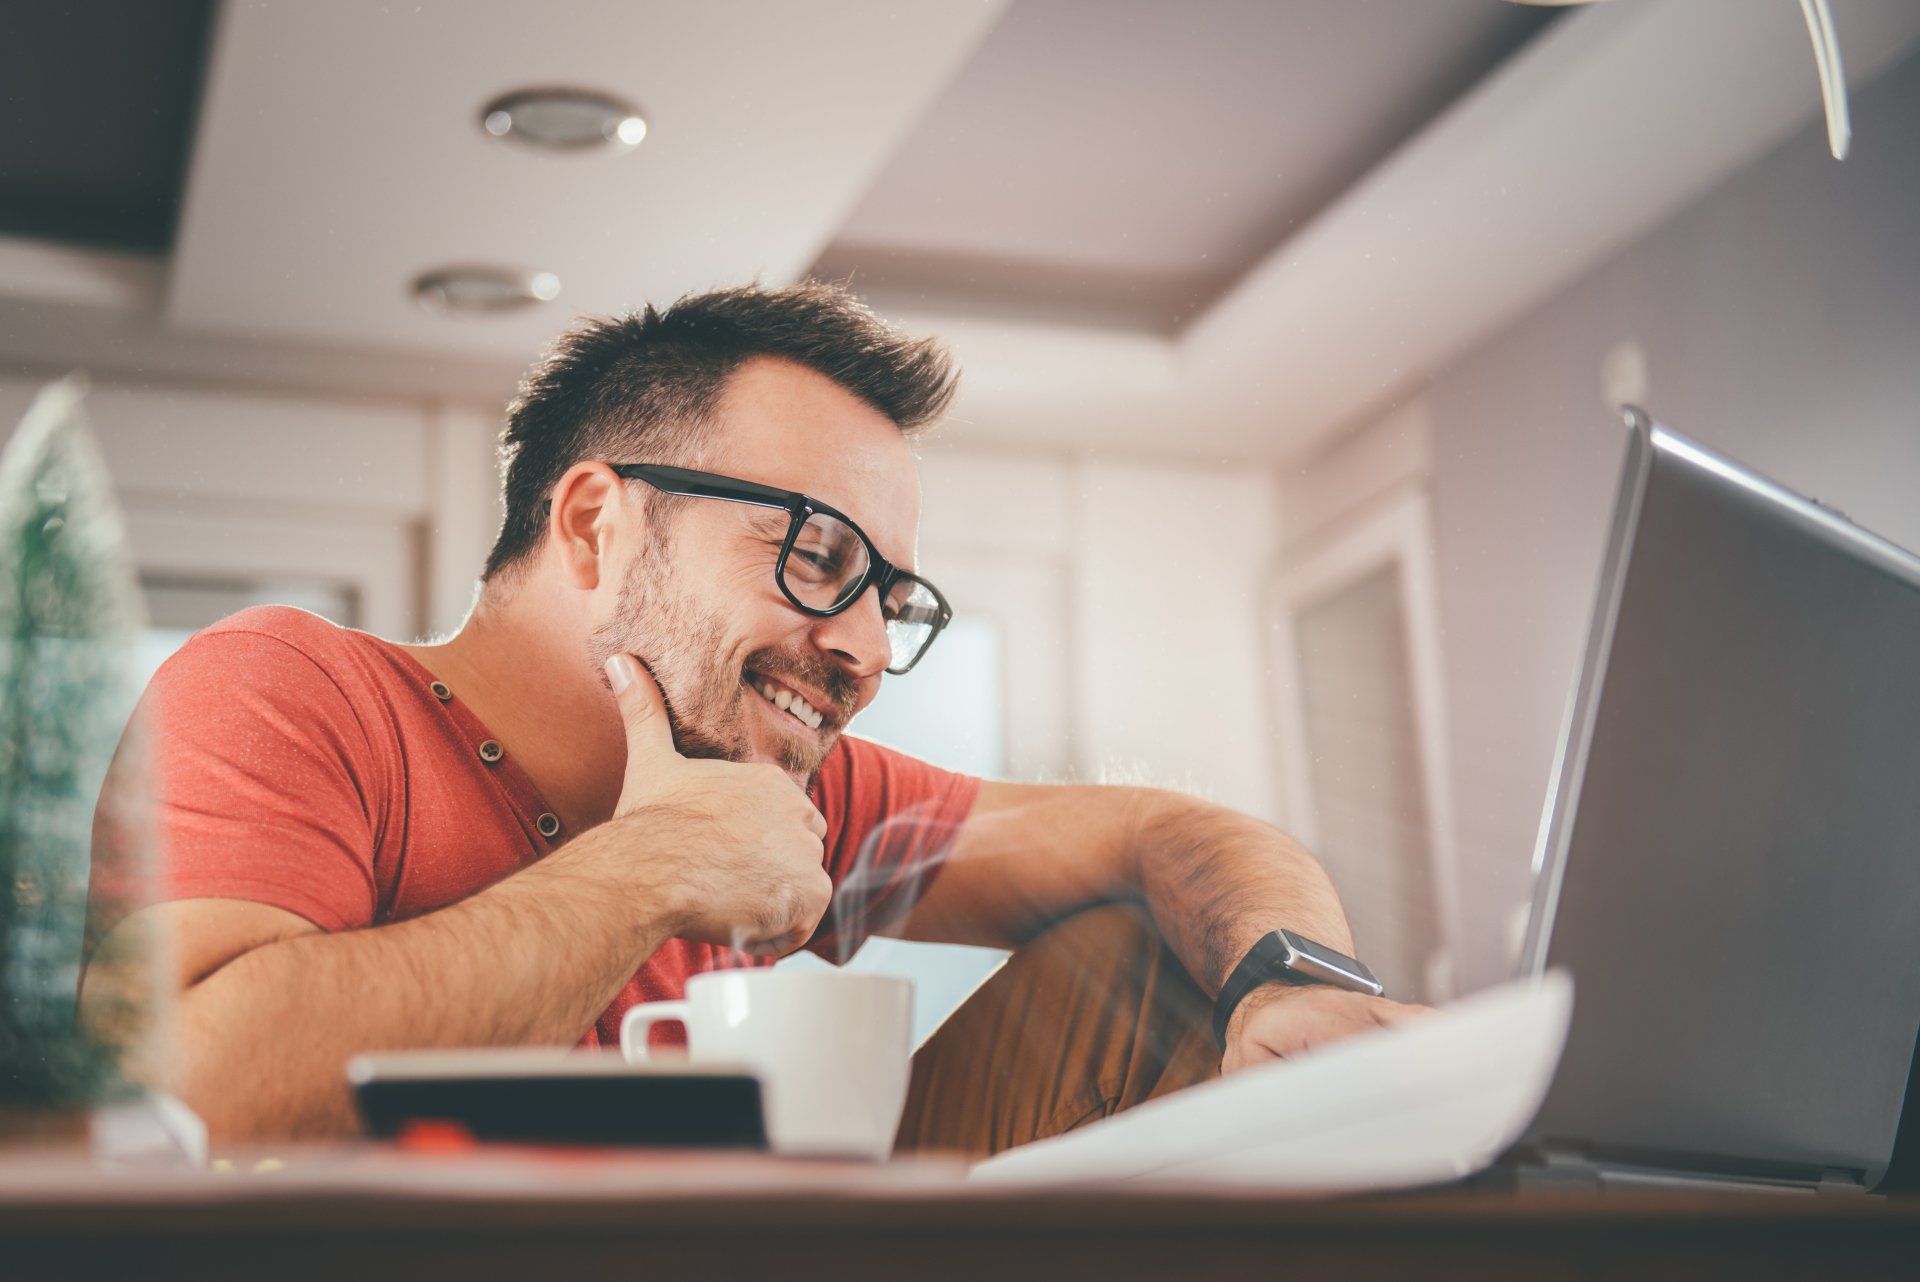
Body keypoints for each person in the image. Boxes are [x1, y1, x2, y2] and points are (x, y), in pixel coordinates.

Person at [83, 282, 1422, 1150]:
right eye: (818, 557)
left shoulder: (790, 794)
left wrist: (1290, 979)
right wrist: (658, 867)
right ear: (600, 523)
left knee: (1166, 957)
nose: (865, 649)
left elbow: (1171, 834)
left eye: (891, 595)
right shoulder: (296, 690)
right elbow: (188, 1083)